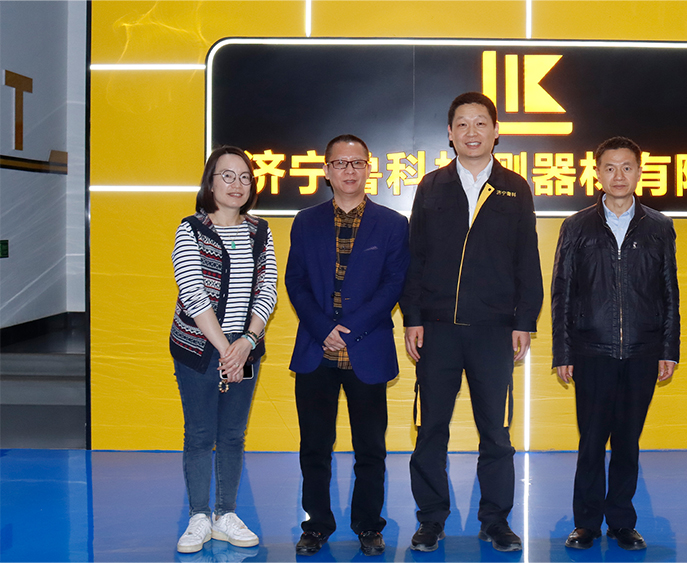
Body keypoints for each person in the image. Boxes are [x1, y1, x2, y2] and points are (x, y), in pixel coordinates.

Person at [400, 92, 544, 552]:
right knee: (430, 430)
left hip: (494, 330)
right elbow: (414, 258)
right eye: (462, 124)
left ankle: (495, 520)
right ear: (450, 133)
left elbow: (527, 259)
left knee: (496, 433)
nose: (471, 132)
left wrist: (524, 320)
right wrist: (413, 317)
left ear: (496, 131)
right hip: (438, 329)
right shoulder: (431, 186)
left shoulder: (514, 188)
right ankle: (431, 519)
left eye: (480, 123)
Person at [551, 136, 680, 551]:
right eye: (610, 168)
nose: (618, 175)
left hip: (642, 350)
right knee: (591, 441)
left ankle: (622, 521)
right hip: (592, 350)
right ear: (597, 173)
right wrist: (563, 352)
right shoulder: (577, 226)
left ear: (639, 172)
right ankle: (586, 523)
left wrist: (668, 349)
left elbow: (669, 291)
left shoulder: (659, 226)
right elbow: (562, 292)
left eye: (626, 167)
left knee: (627, 441)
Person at [285, 135, 410, 557]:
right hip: (316, 350)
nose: (349, 171)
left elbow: (393, 285)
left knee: (370, 449)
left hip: (367, 350)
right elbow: (295, 281)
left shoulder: (393, 224)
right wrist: (324, 329)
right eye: (340, 163)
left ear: (369, 168)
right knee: (314, 448)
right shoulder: (306, 221)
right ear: (327, 171)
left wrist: (349, 330)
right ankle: (316, 525)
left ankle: (369, 525)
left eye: (357, 163)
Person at [170, 146, 277, 553]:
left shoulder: (260, 231)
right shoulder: (190, 229)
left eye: (245, 177)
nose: (237, 184)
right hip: (198, 348)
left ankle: (225, 514)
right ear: (210, 183)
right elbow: (193, 293)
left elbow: (267, 289)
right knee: (199, 434)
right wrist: (225, 349)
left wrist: (246, 342)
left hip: (245, 347)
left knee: (233, 434)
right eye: (227, 176)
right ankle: (199, 516)